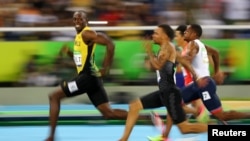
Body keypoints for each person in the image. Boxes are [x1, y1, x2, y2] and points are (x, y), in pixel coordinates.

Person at [45, 11, 130, 141]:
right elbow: (80, 62)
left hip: (87, 78)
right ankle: (144, 117)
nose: (77, 21)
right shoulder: (79, 37)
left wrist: (106, 68)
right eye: (75, 19)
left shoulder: (86, 33)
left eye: (80, 19)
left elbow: (110, 44)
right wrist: (69, 53)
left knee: (54, 97)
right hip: (91, 78)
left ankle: (51, 137)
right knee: (108, 113)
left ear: (86, 20)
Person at [118, 24, 208, 141]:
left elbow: (158, 66)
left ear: (164, 36)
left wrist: (149, 52)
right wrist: (195, 75)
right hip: (164, 92)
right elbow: (183, 61)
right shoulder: (167, 48)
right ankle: (123, 139)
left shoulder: (168, 47)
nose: (153, 35)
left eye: (156, 33)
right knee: (134, 106)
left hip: (170, 93)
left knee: (185, 128)